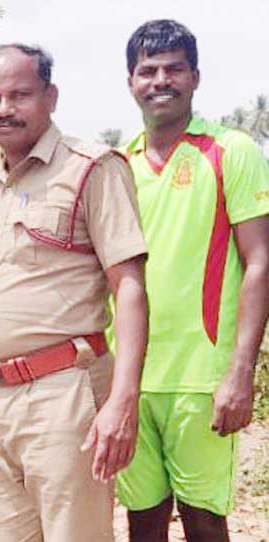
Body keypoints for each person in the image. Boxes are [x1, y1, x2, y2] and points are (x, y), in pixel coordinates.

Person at [0, 44, 149, 542]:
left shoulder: (91, 169)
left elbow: (129, 286)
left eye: (19, 95)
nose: (3, 110)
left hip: (64, 396)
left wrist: (122, 399)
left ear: (50, 97)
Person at [117, 20, 269, 542]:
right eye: (147, 71)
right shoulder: (119, 163)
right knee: (143, 521)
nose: (161, 80)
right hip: (130, 379)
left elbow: (260, 262)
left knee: (204, 521)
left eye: (173, 69)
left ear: (195, 77)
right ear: (131, 82)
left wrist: (239, 372)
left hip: (201, 376)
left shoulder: (232, 151)